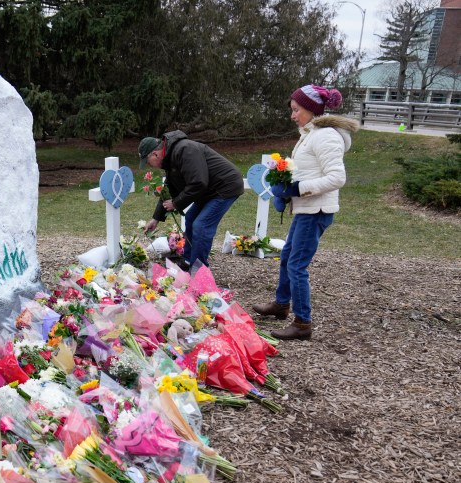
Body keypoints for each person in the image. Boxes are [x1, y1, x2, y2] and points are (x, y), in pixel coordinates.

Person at [252, 84, 359, 341]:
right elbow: (307, 170)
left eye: (296, 109)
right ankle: (281, 305)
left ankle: (302, 323)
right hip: (306, 208)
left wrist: (298, 188)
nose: (292, 115)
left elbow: (337, 177)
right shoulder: (311, 133)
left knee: (297, 264)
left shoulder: (325, 136)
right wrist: (286, 188)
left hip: (316, 210)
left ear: (311, 109)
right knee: (288, 256)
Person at [138, 131, 244, 271]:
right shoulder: (171, 156)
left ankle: (199, 270)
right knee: (190, 217)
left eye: (148, 162)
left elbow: (198, 183)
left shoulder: (185, 150)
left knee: (201, 225)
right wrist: (156, 218)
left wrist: (175, 203)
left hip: (225, 186)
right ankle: (188, 261)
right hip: (210, 190)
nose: (149, 166)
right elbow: (170, 189)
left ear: (155, 154)